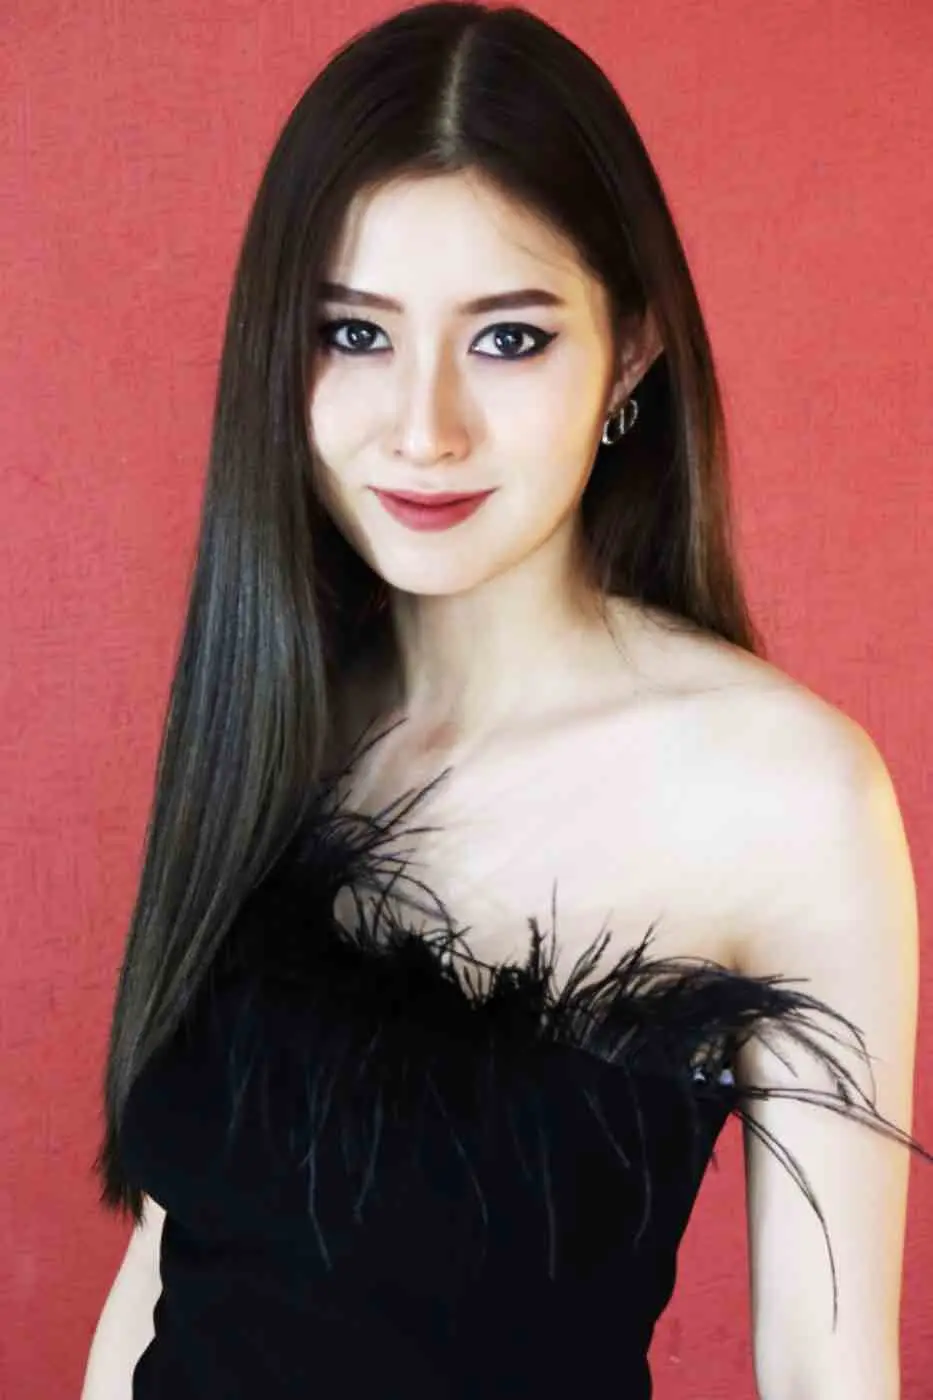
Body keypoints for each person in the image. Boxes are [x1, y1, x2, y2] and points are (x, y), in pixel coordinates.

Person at [82, 4, 930, 1398]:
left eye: (509, 340)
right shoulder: (275, 712)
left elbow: (826, 1369)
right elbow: (161, 1270)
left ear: (632, 352)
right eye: (355, 332)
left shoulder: (788, 797)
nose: (424, 429)